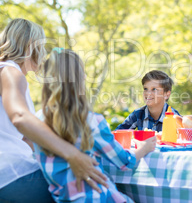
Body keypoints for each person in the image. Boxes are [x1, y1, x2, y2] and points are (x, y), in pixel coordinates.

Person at [0, 19, 107, 203]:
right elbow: (20, 117)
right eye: (42, 45)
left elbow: (26, 138)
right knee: (92, 186)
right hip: (8, 178)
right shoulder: (10, 72)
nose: (44, 52)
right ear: (31, 46)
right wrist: (73, 154)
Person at [34, 48, 156, 202]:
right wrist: (144, 147)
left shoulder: (36, 121)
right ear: (80, 79)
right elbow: (125, 162)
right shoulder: (90, 121)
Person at [116, 70, 181, 132]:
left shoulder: (174, 117)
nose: (148, 93)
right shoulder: (138, 114)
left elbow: (185, 140)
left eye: (154, 89)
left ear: (167, 94)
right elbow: (118, 133)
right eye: (145, 89)